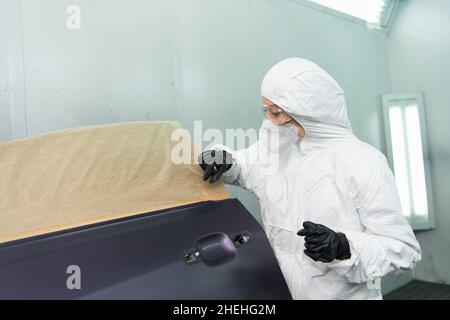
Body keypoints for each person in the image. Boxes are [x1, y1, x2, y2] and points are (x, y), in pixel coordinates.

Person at [198, 58, 421, 300]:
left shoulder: (364, 162)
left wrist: (345, 247)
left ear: (309, 113)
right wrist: (223, 159)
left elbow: (404, 250)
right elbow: (245, 167)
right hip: (281, 292)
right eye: (267, 111)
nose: (270, 122)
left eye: (276, 112)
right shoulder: (283, 149)